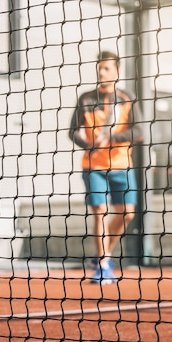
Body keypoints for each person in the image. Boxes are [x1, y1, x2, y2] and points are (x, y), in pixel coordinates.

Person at [69, 50, 144, 285]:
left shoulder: (127, 98)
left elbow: (140, 132)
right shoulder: (86, 99)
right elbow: (72, 131)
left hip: (123, 165)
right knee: (99, 211)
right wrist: (88, 144)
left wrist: (111, 139)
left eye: (107, 68)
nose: (102, 72)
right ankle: (102, 266)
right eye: (100, 68)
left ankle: (104, 255)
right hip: (94, 167)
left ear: (117, 71)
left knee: (127, 214)